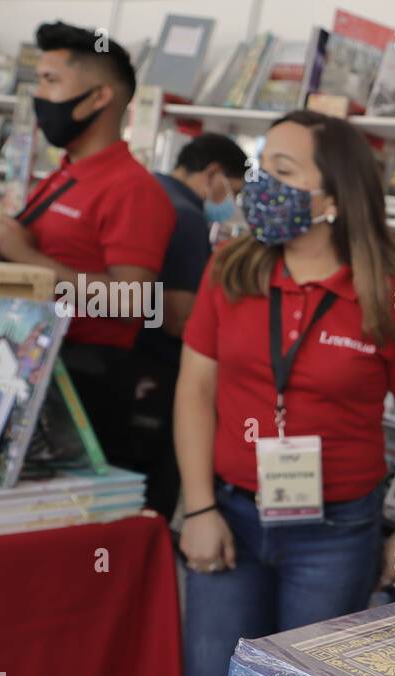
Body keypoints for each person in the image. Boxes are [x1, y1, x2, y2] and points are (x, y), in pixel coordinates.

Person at [174, 110, 395, 676]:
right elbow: (196, 390)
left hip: (336, 532)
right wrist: (196, 506)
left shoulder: (388, 297)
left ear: (334, 196)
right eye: (263, 167)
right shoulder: (233, 268)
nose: (261, 185)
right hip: (229, 512)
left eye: (284, 173)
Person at [0, 20, 175, 466]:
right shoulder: (65, 174)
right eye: (38, 81)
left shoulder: (132, 188)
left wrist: (28, 259)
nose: (39, 96)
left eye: (52, 81)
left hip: (83, 381)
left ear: (99, 97)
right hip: (26, 360)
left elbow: (134, 301)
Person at [134, 134, 248, 518]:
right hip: (159, 373)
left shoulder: (147, 189)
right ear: (212, 173)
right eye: (232, 191)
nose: (231, 203)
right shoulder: (186, 215)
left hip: (123, 360)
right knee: (154, 497)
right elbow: (179, 318)